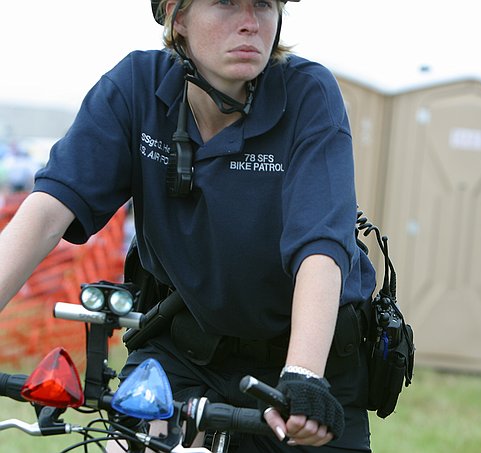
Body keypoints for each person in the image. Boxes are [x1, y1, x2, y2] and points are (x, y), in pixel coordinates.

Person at [0, 1, 377, 451]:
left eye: (264, 4)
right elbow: (47, 210)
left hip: (304, 359)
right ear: (178, 17)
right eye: (225, 3)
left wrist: (303, 376)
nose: (249, 22)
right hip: (184, 351)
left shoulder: (308, 94)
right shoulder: (137, 87)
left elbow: (320, 246)